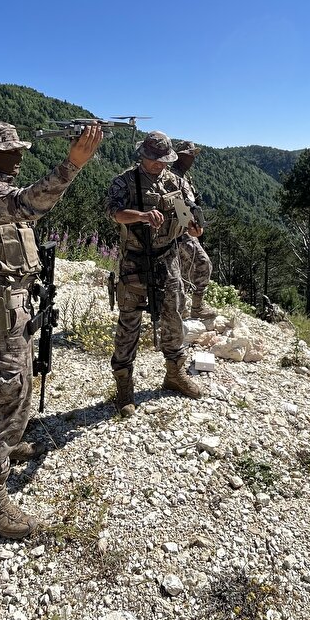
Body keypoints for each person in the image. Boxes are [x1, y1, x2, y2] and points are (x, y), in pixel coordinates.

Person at [0, 120, 103, 539]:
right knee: (4, 397)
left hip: (12, 306)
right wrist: (72, 164)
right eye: (11, 151)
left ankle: (8, 444)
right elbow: (29, 204)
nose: (19, 156)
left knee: (19, 386)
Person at [106, 131, 203, 416]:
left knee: (174, 317)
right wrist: (141, 215)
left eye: (163, 160)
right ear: (143, 156)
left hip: (167, 260)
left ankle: (175, 373)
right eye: (153, 160)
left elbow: (190, 215)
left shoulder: (176, 182)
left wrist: (195, 228)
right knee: (129, 323)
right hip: (134, 262)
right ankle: (124, 388)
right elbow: (113, 212)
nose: (159, 165)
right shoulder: (124, 181)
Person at [171, 139, 216, 321]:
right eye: (190, 155)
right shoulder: (174, 177)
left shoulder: (184, 176)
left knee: (184, 271)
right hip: (180, 232)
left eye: (193, 155)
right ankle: (191, 309)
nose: (192, 159)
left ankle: (184, 309)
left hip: (185, 231)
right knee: (202, 264)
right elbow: (178, 207)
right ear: (180, 156)